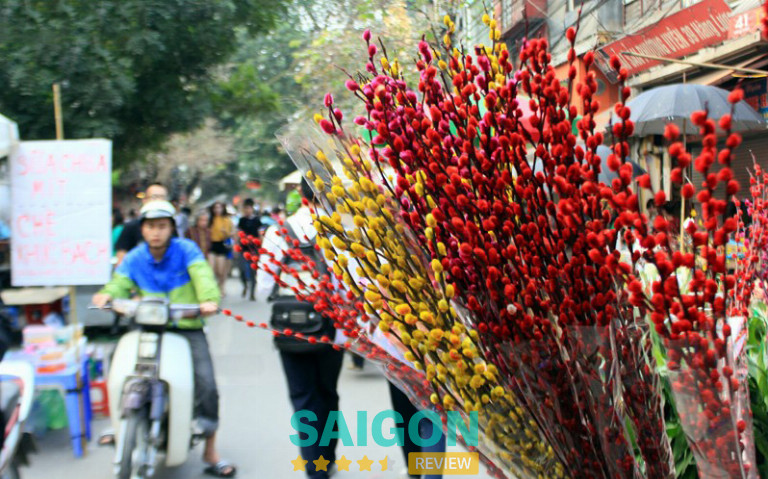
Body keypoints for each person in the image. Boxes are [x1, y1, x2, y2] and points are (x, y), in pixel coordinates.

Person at [92, 200, 236, 478]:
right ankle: (118, 424)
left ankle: (210, 449)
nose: (156, 232)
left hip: (187, 326)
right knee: (116, 366)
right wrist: (106, 294)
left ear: (172, 228)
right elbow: (118, 282)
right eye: (150, 227)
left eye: (162, 226)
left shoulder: (187, 251)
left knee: (206, 383)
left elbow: (203, 277)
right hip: (147, 326)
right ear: (142, 230)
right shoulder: (135, 257)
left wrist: (208, 300)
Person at [257, 180, 343, 479]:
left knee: (303, 396)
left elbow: (263, 287)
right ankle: (327, 456)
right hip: (332, 325)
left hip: (290, 326)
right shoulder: (339, 229)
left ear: (301, 194)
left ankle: (314, 467)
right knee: (327, 392)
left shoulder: (277, 232)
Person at [114, 182, 170, 265]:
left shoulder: (171, 228)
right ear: (145, 200)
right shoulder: (131, 227)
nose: (156, 232)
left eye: (162, 197)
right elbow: (121, 260)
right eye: (154, 197)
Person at [236, 199, 261, 300]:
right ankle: (245, 285)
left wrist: (260, 247)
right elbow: (238, 234)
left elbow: (260, 234)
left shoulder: (257, 220)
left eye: (249, 208)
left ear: (252, 209)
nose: (247, 210)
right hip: (243, 248)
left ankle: (252, 293)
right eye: (245, 208)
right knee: (241, 270)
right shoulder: (241, 220)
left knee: (253, 272)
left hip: (254, 249)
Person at [208, 202, 234, 296]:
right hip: (212, 245)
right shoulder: (210, 220)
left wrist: (225, 232)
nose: (217, 210)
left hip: (222, 245)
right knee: (211, 268)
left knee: (221, 270)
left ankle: (221, 286)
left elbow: (231, 233)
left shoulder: (226, 220)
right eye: (215, 208)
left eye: (219, 208)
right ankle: (214, 287)